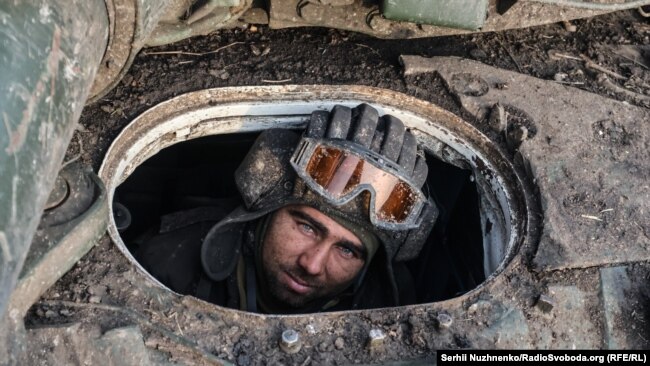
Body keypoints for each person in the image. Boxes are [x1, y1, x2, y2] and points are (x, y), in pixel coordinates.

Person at [136, 103, 438, 314]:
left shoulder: (392, 302)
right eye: (307, 227)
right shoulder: (170, 260)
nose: (313, 264)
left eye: (347, 251)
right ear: (267, 212)